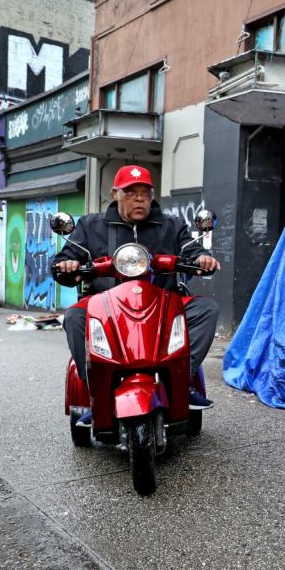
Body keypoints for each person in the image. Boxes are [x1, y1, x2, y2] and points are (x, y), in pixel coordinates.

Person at [52, 165, 221, 422]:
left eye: (145, 192)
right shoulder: (90, 225)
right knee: (74, 318)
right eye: (131, 192)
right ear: (115, 193)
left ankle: (183, 379)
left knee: (207, 309)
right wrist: (66, 265)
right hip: (104, 306)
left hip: (163, 303)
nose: (139, 198)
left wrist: (203, 259)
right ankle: (94, 392)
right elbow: (65, 258)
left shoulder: (171, 225)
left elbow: (191, 251)